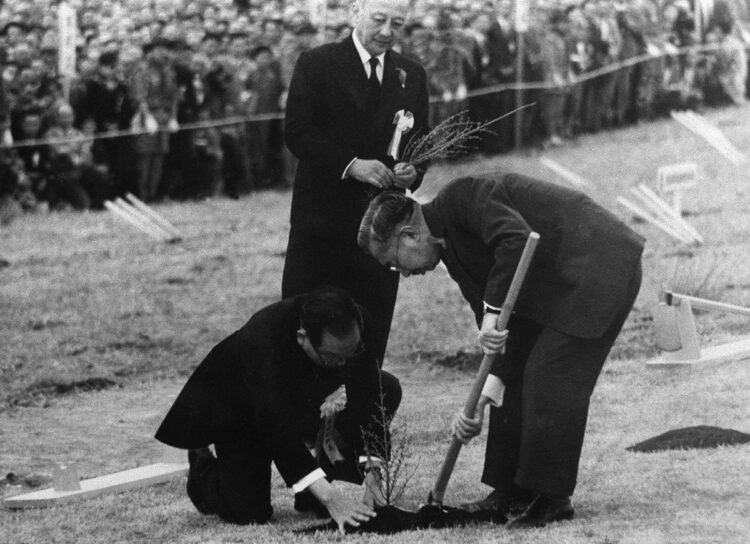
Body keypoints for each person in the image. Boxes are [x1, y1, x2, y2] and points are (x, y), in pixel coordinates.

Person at [357, 173, 644, 528]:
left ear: (410, 235)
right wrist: (480, 402)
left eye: (394, 261)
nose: (400, 272)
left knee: (549, 372)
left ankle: (552, 497)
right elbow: (503, 335)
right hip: (561, 284)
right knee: (517, 376)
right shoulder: (451, 253)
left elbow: (516, 239)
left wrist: (493, 315)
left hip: (598, 266)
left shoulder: (463, 196)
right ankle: (512, 490)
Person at [155, 287, 402, 532]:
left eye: (351, 353)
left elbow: (370, 393)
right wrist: (331, 498)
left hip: (302, 399)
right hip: (243, 411)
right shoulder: (262, 338)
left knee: (387, 387)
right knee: (249, 511)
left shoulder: (356, 323)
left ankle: (314, 485)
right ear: (303, 338)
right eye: (332, 357)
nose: (343, 364)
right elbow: (275, 426)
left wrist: (373, 472)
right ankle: (201, 468)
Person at [281, 0, 430, 367]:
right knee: (309, 323)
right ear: (355, 13)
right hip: (323, 224)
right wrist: (351, 166)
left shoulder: (411, 74)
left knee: (371, 326)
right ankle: (304, 417)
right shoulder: (316, 63)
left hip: (382, 227)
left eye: (397, 23)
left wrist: (414, 170)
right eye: (378, 20)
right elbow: (297, 132)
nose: (386, 32)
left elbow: (420, 141)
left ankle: (365, 418)